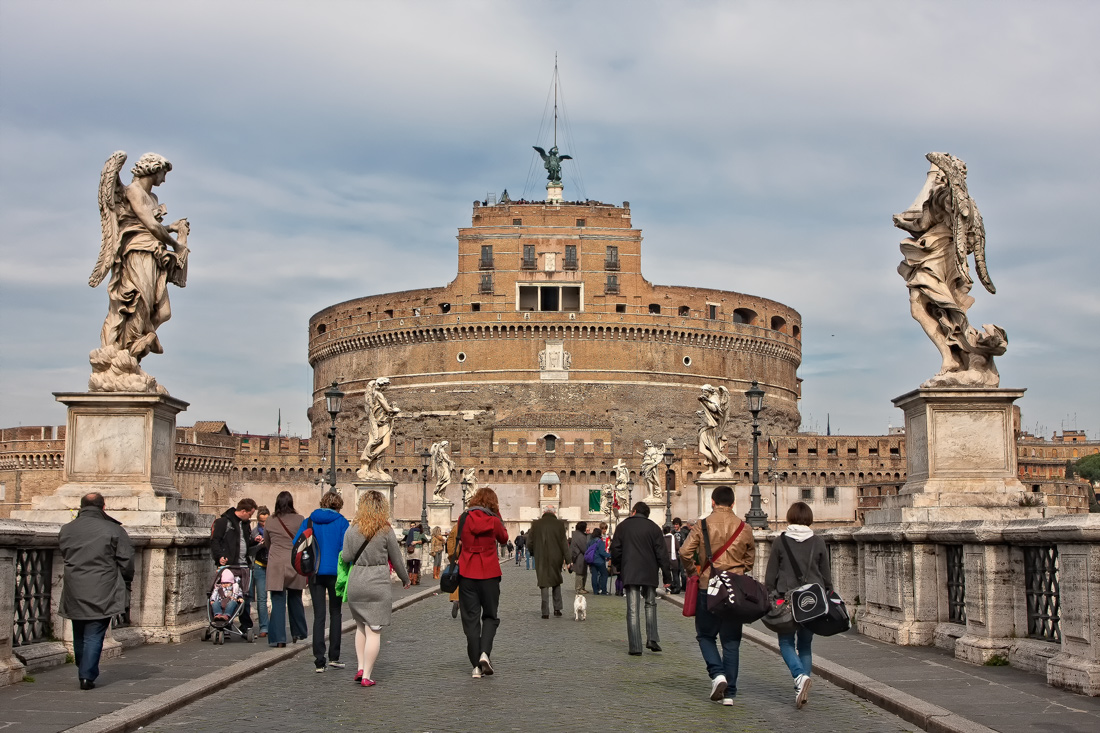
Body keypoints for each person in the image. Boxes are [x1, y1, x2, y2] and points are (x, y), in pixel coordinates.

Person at [680, 486, 755, 706]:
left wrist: (695, 572)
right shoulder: (745, 527)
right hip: (735, 588)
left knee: (705, 635)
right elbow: (749, 559)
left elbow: (685, 552)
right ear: (733, 504)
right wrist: (739, 570)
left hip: (708, 586)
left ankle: (717, 674)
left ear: (712, 502)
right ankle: (730, 693)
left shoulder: (702, 525)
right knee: (731, 641)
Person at [58, 493, 135, 690]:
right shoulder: (113, 529)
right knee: (94, 631)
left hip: (74, 587)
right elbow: (126, 560)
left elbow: (65, 553)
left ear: (81, 506)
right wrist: (126, 581)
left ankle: (83, 666)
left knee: (79, 629)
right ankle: (86, 674)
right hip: (103, 586)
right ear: (103, 507)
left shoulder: (67, 529)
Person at [765, 501, 834, 709]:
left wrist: (769, 595)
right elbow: (826, 575)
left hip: (787, 600)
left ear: (790, 517)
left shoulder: (781, 541)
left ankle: (799, 677)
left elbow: (770, 575)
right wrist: (829, 593)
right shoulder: (818, 541)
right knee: (805, 645)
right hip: (811, 601)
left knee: (786, 643)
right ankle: (801, 684)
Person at [341, 490, 410, 686]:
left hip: (356, 582)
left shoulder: (351, 529)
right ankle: (366, 676)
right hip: (377, 583)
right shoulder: (385, 531)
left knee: (360, 626)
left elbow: (346, 557)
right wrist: (405, 579)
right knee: (374, 630)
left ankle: (360, 667)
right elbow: (397, 560)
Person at [448, 487, 508, 678]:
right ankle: (484, 653)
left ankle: (475, 666)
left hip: (467, 575)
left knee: (471, 620)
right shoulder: (493, 520)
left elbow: (458, 540)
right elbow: (504, 538)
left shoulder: (463, 518)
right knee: (490, 616)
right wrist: (497, 514)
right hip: (489, 574)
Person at [297, 491, 350, 673]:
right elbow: (346, 550)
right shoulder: (342, 522)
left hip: (315, 572)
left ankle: (319, 660)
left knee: (319, 615)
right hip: (336, 573)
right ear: (339, 505)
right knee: (336, 613)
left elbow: (298, 543)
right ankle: (334, 656)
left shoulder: (309, 520)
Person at [610, 502, 670, 656]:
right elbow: (662, 553)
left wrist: (618, 564)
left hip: (630, 571)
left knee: (633, 608)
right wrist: (667, 575)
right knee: (650, 604)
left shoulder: (623, 527)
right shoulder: (654, 528)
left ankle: (636, 646)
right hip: (649, 571)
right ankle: (652, 639)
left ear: (634, 511)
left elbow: (615, 549)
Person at [264, 491, 308, 648]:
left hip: (276, 563)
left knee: (277, 602)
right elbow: (305, 540)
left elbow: (267, 543)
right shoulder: (300, 519)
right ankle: (300, 633)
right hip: (294, 562)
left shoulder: (270, 520)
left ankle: (279, 639)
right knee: (295, 600)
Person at [210, 498, 258, 631]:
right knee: (225, 595)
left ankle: (245, 625)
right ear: (243, 511)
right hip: (228, 566)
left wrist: (254, 541)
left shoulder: (245, 524)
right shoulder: (223, 522)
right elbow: (215, 541)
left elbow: (245, 542)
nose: (250, 517)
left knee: (245, 596)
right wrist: (219, 557)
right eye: (250, 514)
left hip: (243, 565)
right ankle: (225, 624)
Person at [527, 505, 569, 619]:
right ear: (554, 513)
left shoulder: (536, 524)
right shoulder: (559, 524)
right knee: (556, 581)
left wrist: (533, 552)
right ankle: (557, 608)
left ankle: (545, 612)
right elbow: (564, 544)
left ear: (543, 512)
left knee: (543, 582)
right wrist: (568, 559)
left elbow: (529, 542)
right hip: (556, 557)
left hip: (540, 556)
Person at [250, 506, 270, 637]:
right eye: (262, 521)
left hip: (272, 565)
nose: (264, 523)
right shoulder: (254, 531)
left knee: (276, 596)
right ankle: (264, 627)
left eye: (266, 520)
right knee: (262, 598)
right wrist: (258, 544)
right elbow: (250, 550)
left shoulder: (273, 530)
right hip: (259, 564)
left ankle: (274, 625)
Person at [587, 527, 611, 595]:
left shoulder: (590, 541)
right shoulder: (600, 542)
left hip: (592, 560)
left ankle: (595, 590)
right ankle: (603, 590)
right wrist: (609, 555)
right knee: (604, 574)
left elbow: (587, 549)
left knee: (594, 575)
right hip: (599, 561)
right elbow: (602, 552)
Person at [569, 521, 589, 594]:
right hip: (580, 556)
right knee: (580, 572)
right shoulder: (580, 536)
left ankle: (581, 587)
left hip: (578, 555)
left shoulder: (577, 534)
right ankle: (579, 588)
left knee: (582, 572)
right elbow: (584, 547)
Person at [663, 525, 683, 594]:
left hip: (665, 559)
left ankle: (668, 588)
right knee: (675, 574)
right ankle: (677, 588)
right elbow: (677, 547)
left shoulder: (662, 538)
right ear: (670, 531)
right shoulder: (673, 537)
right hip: (673, 558)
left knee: (666, 574)